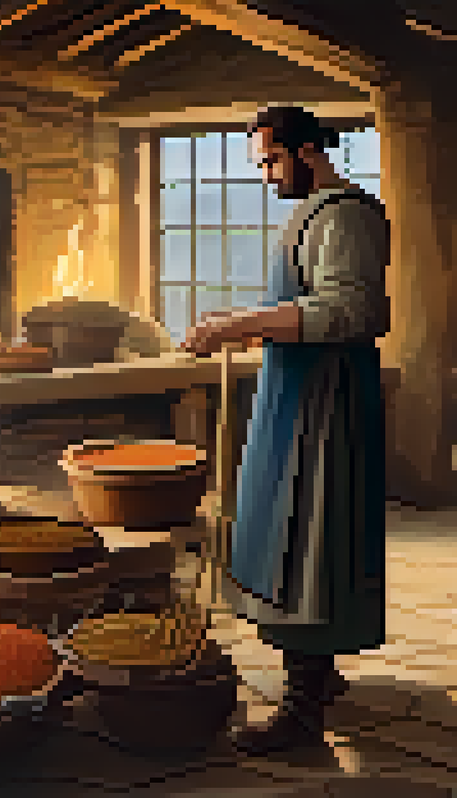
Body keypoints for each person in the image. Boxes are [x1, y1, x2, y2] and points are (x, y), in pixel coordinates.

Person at [181, 105, 389, 754]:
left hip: (325, 402)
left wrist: (238, 327)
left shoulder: (347, 214)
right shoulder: (315, 212)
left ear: (306, 150)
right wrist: (241, 318)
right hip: (294, 395)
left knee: (311, 540)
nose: (268, 176)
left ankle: (302, 714)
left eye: (273, 161)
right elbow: (300, 300)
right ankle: (317, 677)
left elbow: (351, 310)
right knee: (285, 533)